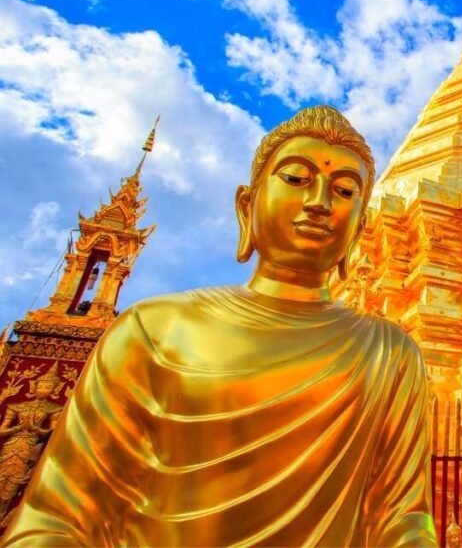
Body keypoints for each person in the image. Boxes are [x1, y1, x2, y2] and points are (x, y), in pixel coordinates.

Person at [3, 106, 437, 547]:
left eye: (344, 190)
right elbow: (56, 518)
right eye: (295, 179)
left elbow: (401, 521)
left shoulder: (389, 352)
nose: (319, 202)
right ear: (246, 206)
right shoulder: (154, 329)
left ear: (362, 227)